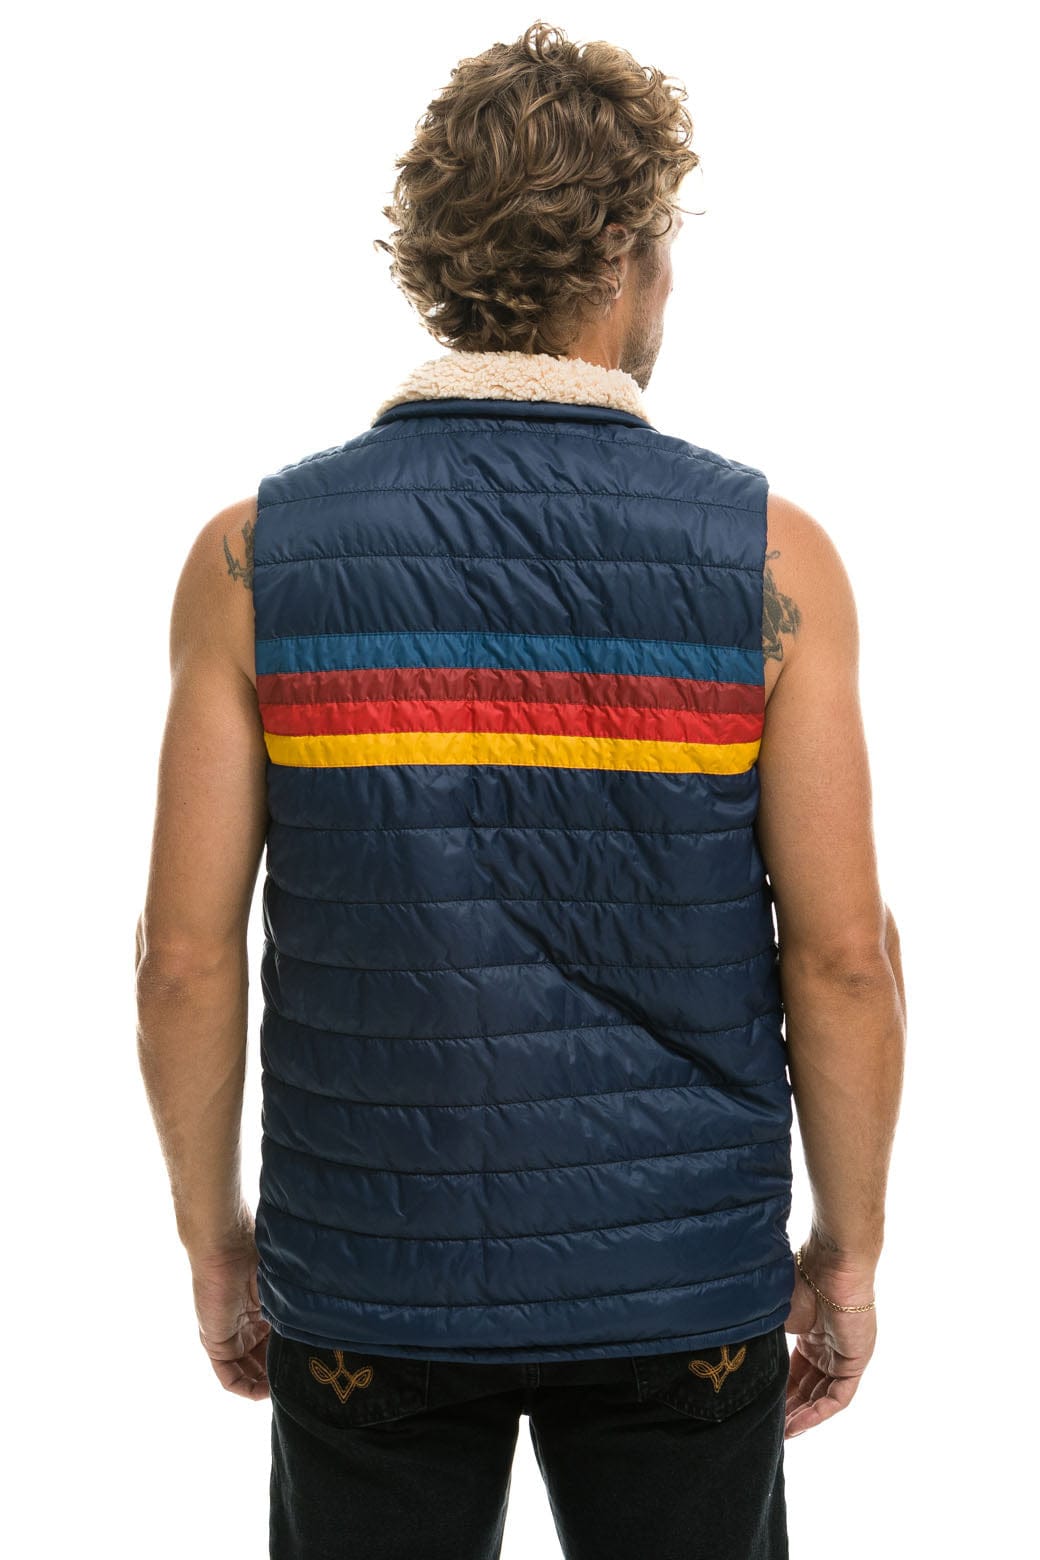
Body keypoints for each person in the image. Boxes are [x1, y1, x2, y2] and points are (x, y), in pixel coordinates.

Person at [134, 19, 906, 1560]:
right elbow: (842, 958)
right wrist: (849, 1249)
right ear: (631, 255)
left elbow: (183, 960)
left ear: (438, 257)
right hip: (682, 1280)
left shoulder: (253, 561)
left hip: (370, 1274)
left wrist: (218, 1246)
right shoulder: (770, 560)